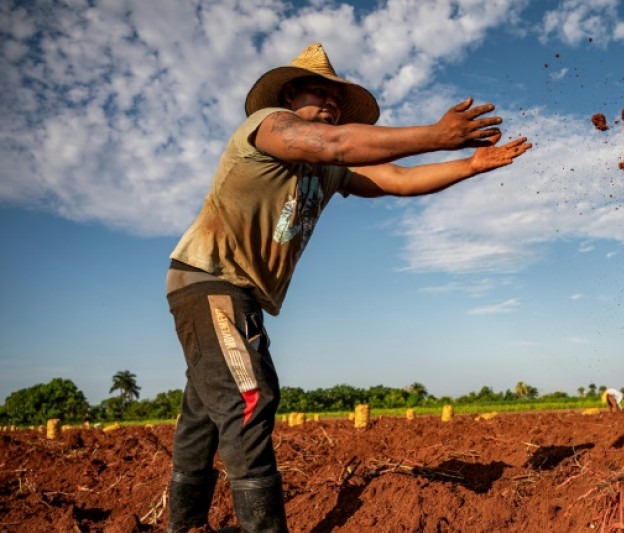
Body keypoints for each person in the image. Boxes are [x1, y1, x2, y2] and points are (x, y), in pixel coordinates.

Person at [164, 42, 531, 533]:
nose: (331, 104)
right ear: (289, 95)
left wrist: (469, 165)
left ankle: (184, 525)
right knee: (250, 398)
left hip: (233, 290)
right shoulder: (268, 126)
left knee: (206, 413)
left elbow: (397, 178)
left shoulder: (328, 169)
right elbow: (334, 143)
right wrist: (436, 135)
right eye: (321, 93)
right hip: (211, 278)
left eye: (338, 99)